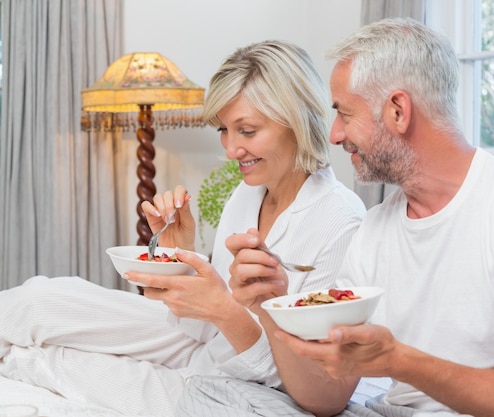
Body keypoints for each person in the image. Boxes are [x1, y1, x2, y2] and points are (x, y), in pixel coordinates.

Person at [214, 18, 494, 417]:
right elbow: (326, 399)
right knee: (214, 397)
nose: (333, 134)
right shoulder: (375, 230)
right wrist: (273, 306)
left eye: (345, 114)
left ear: (398, 110)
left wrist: (399, 362)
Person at [0, 40, 365, 417]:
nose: (230, 150)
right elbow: (207, 316)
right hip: (206, 342)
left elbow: (307, 386)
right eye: (225, 130)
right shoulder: (248, 194)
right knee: (38, 300)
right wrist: (182, 260)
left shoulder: (341, 222)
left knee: (50, 362)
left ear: (298, 122)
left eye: (248, 131)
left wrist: (226, 312)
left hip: (239, 385)